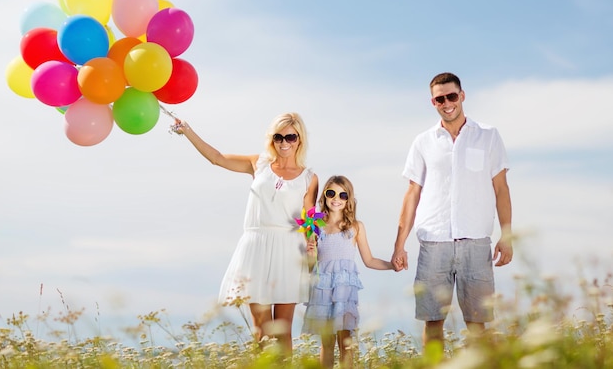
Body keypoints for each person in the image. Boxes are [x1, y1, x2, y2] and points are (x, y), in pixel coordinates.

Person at [174, 112, 319, 354]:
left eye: (290, 137)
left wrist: (313, 252)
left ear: (299, 139)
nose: (284, 142)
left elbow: (309, 221)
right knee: (261, 329)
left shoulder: (309, 178)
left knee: (283, 330)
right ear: (272, 138)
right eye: (278, 136)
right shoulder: (259, 163)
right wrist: (188, 131)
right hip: (256, 247)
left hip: (289, 249)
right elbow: (217, 158)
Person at [391, 72, 513, 352]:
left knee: (477, 323)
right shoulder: (423, 142)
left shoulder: (489, 136)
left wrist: (506, 235)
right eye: (439, 99)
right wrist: (399, 245)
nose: (447, 103)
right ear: (433, 102)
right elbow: (412, 193)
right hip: (434, 242)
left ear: (462, 96)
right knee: (432, 321)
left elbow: (502, 189)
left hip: (476, 241)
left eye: (451, 96)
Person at [303, 175, 394, 368]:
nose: (336, 198)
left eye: (342, 195)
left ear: (348, 199)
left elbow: (369, 260)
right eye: (331, 193)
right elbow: (312, 266)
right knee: (326, 344)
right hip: (323, 290)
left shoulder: (355, 227)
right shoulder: (315, 225)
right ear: (325, 196)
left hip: (344, 291)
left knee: (346, 343)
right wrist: (311, 253)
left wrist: (392, 265)